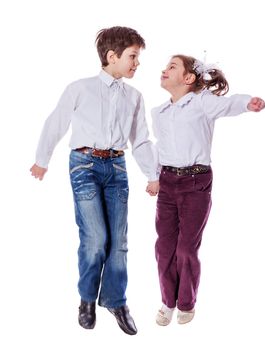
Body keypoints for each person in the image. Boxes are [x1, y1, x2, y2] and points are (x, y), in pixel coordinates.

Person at [30, 26, 159, 336]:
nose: (136, 63)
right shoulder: (80, 88)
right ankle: (87, 298)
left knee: (119, 241)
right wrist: (42, 159)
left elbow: (140, 140)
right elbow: (56, 120)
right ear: (111, 56)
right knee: (95, 238)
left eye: (138, 57)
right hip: (84, 164)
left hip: (116, 166)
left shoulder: (134, 96)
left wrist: (152, 174)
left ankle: (115, 300)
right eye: (132, 56)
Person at [146, 54, 265, 326]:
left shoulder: (201, 102)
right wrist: (153, 177)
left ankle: (186, 302)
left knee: (186, 248)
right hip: (167, 182)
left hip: (196, 183)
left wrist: (248, 103)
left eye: (172, 67)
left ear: (188, 79)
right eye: (165, 67)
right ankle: (167, 301)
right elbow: (159, 147)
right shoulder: (159, 113)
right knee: (165, 247)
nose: (164, 70)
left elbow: (228, 104)